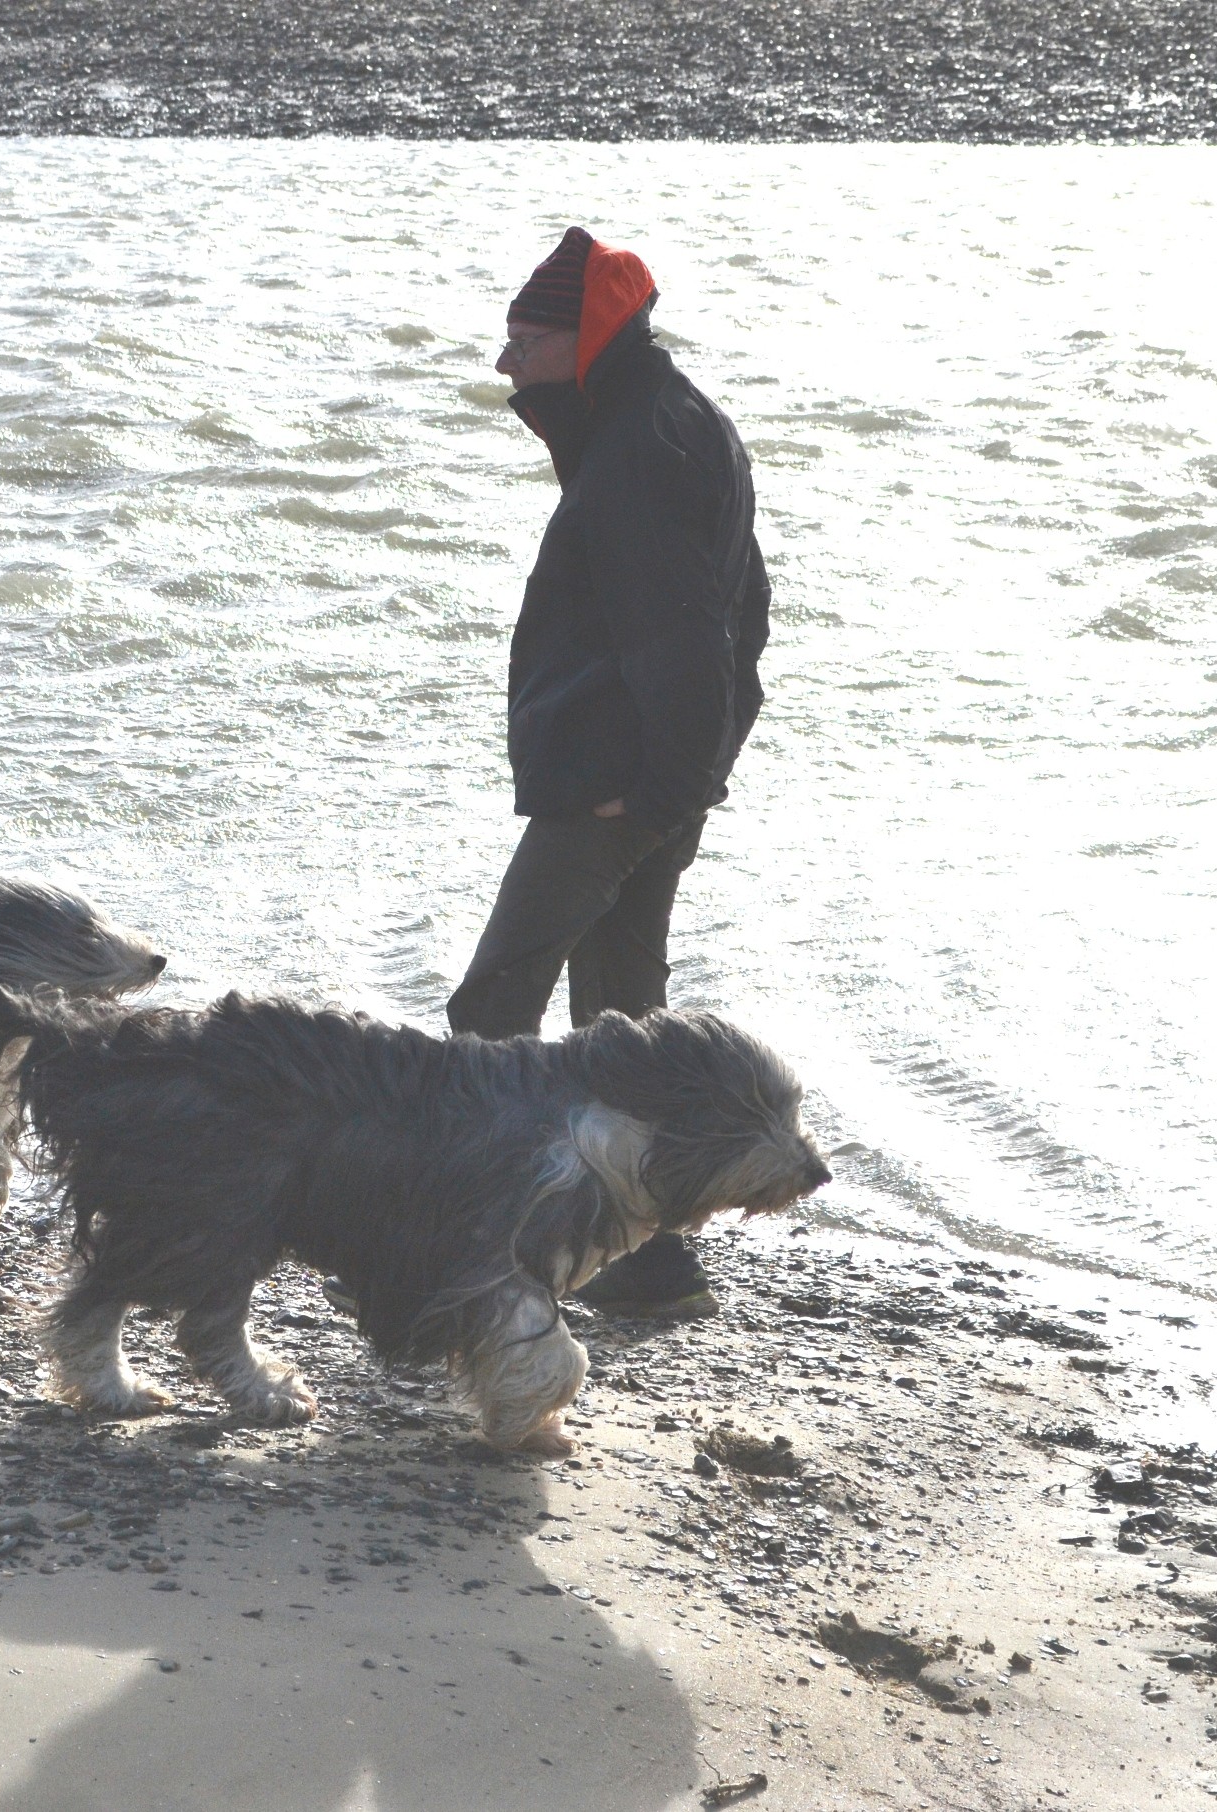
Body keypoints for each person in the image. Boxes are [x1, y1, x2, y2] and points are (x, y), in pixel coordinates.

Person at [451, 225, 771, 1319]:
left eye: (522, 339)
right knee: (622, 1025)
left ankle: (471, 1236)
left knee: (492, 1009)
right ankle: (646, 1262)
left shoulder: (640, 447)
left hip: (617, 788)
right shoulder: (674, 423)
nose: (503, 364)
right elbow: (745, 617)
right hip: (649, 781)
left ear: (582, 338)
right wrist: (695, 774)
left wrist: (658, 784)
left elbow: (680, 635)